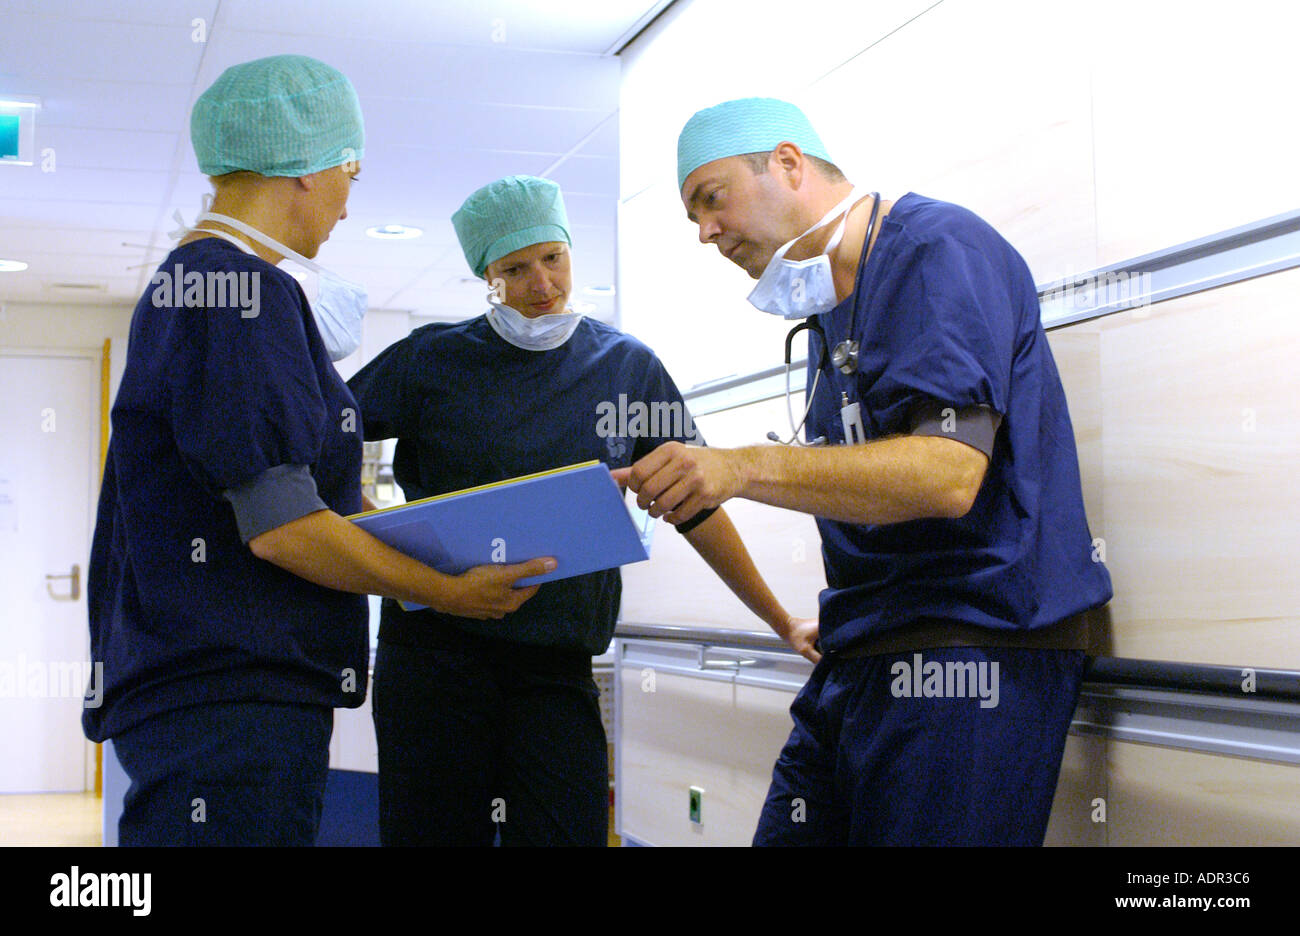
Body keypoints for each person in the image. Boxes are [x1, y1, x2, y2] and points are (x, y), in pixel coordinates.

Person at [615, 97, 1114, 846]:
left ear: (788, 163)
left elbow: (947, 473)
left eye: (711, 200)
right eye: (693, 215)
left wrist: (742, 468)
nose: (705, 232)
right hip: (864, 651)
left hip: (971, 650)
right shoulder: (828, 315)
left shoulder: (938, 252)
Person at [83, 55, 550, 847]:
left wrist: (426, 536)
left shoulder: (198, 286)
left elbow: (303, 497)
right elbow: (285, 528)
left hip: (209, 692)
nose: (342, 206)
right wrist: (443, 588)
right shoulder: (238, 292)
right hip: (232, 700)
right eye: (349, 177)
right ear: (308, 170)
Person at [347, 174, 816, 846]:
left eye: (553, 258)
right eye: (515, 267)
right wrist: (385, 543)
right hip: (434, 665)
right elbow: (312, 444)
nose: (541, 283)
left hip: (555, 667)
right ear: (487, 275)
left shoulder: (624, 368)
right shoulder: (430, 362)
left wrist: (781, 620)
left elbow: (698, 506)